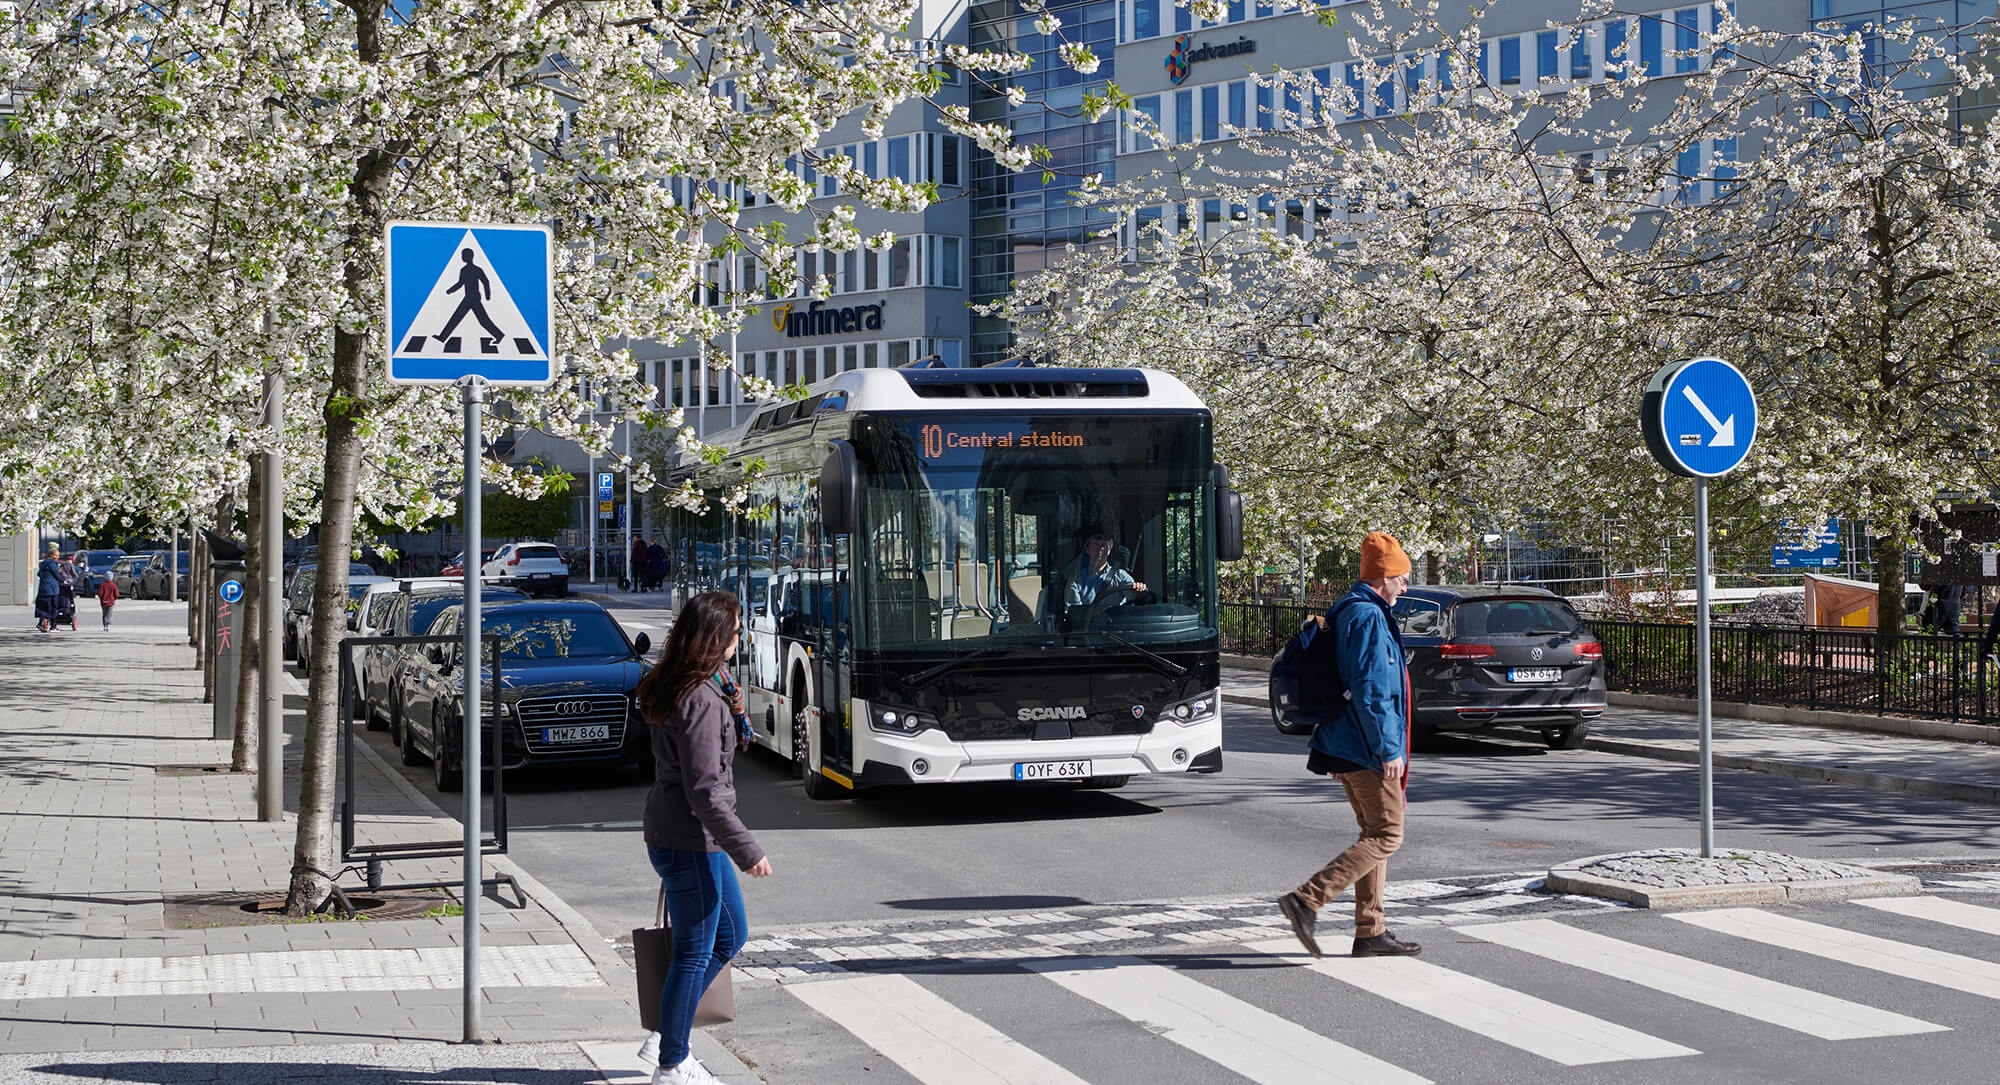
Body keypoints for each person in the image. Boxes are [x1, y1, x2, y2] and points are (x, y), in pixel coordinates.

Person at [634, 591, 770, 1085]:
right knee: (694, 949)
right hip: (690, 838)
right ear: (715, 637)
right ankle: (672, 1062)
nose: (741, 638)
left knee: (730, 937)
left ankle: (668, 1035)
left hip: (685, 834)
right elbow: (706, 790)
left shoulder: (698, 685)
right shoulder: (700, 699)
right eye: (736, 630)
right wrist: (748, 849)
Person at [1276, 531, 1423, 960]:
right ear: (1384, 577)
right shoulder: (1369, 618)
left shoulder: (1350, 610)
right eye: (1401, 578)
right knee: (1387, 835)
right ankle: (1306, 900)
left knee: (1373, 833)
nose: (1405, 587)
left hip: (1348, 742)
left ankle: (1370, 931)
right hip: (1365, 746)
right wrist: (1388, 749)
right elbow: (1372, 690)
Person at [1064, 532, 1146, 608]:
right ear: (1087, 549)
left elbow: (1133, 593)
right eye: (1096, 545)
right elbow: (1074, 612)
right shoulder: (1076, 579)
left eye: (1104, 545)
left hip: (1116, 623)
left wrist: (1138, 589)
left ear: (1109, 551)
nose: (1100, 549)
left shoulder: (1120, 576)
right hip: (1088, 623)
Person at [33, 543, 71, 633]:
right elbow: (56, 574)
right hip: (52, 589)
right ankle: (53, 626)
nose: (57, 557)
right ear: (51, 555)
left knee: (43, 607)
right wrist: (63, 580)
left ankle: (41, 623)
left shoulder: (42, 564)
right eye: (55, 555)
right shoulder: (52, 563)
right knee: (53, 607)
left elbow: (39, 574)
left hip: (43, 588)